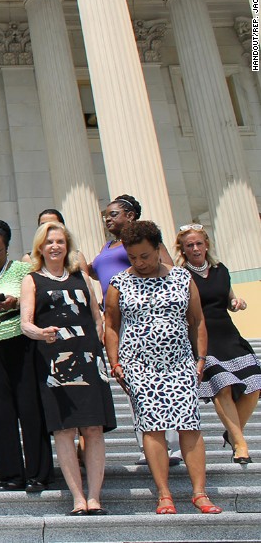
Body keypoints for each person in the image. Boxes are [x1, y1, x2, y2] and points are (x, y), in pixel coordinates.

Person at [104, 220, 221, 515]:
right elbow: (111, 325)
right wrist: (115, 362)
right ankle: (164, 494)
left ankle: (199, 493)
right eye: (132, 257)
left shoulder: (182, 278)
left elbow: (197, 320)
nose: (139, 263)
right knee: (152, 427)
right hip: (139, 364)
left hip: (180, 362)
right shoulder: (120, 283)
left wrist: (201, 358)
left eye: (145, 256)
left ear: (158, 249)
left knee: (189, 424)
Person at [20, 222, 116, 516]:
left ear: (67, 245)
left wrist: (104, 355)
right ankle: (77, 498)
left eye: (60, 241)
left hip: (88, 358)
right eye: (49, 242)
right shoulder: (32, 280)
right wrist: (40, 333)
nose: (55, 247)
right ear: (40, 247)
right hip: (54, 360)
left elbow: (98, 320)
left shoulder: (82, 278)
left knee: (93, 428)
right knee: (64, 430)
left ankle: (95, 496)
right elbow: (25, 323)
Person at [89, 194, 179, 466]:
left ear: (130, 215)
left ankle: (171, 446)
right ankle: (147, 446)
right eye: (106, 214)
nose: (108, 218)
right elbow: (97, 272)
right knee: (133, 383)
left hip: (144, 315)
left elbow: (170, 270)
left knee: (162, 380)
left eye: (114, 213)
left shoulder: (146, 242)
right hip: (115, 317)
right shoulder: (108, 246)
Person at [0, 218, 52, 492]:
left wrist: (16, 303)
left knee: (29, 408)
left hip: (20, 343)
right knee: (0, 412)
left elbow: (39, 300)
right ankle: (9, 474)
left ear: (7, 248)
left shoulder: (23, 271)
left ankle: (37, 472)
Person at [176, 224, 257, 464]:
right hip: (202, 337)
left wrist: (237, 302)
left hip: (228, 334)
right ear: (183, 249)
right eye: (189, 245)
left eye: (199, 243)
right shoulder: (181, 275)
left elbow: (229, 298)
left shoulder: (221, 270)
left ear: (206, 244)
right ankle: (240, 443)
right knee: (223, 386)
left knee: (254, 384)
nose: (195, 248)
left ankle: (233, 433)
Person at [20, 209, 90, 274]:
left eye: (53, 225)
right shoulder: (29, 259)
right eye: (43, 225)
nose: (47, 227)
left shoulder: (77, 257)